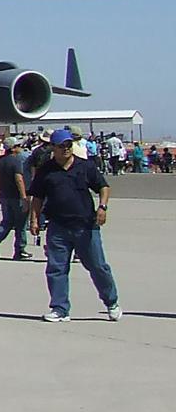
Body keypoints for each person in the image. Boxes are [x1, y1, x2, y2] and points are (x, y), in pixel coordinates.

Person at [29, 127, 120, 323]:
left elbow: (103, 186)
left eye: (68, 145)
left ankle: (111, 302)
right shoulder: (46, 171)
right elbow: (37, 197)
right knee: (56, 268)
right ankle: (60, 308)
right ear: (52, 147)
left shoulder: (85, 166)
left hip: (86, 226)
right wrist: (34, 219)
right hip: (58, 227)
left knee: (97, 266)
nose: (66, 149)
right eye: (61, 146)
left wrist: (103, 207)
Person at [0, 135, 30, 260]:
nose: (20, 148)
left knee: (7, 220)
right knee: (21, 223)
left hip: (5, 195)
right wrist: (24, 196)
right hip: (16, 196)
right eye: (18, 146)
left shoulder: (0, 161)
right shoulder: (16, 161)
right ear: (13, 148)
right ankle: (20, 249)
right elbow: (19, 179)